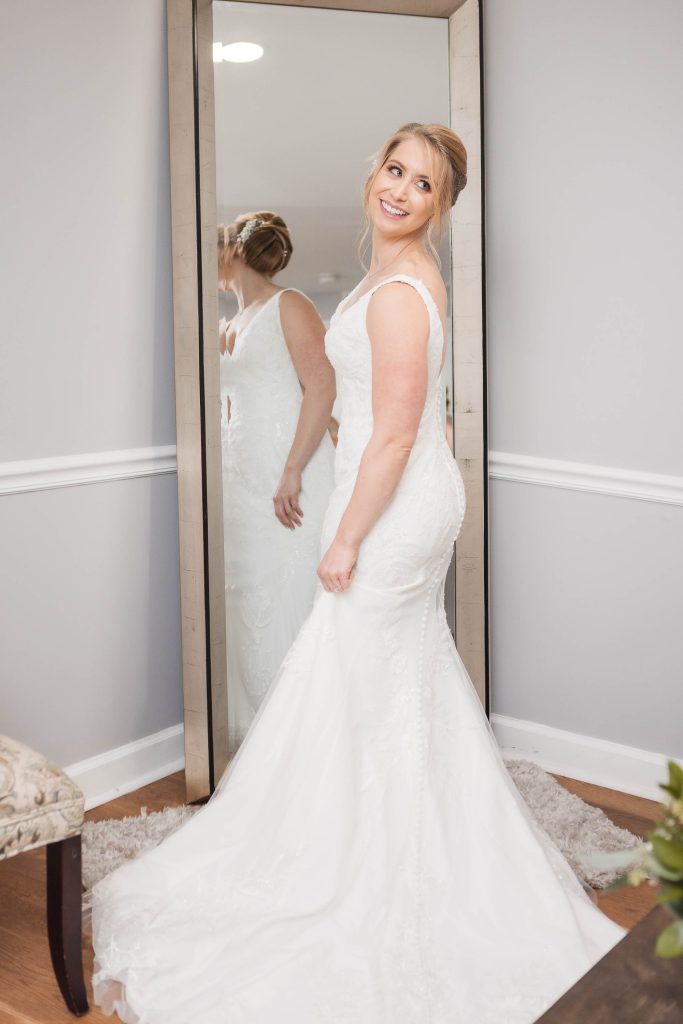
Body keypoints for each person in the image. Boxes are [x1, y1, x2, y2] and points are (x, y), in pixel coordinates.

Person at [88, 123, 626, 1023]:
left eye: (424, 185)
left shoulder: (399, 293)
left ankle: (383, 870)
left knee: (356, 676)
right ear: (372, 172)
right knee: (388, 687)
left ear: (441, 208)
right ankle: (391, 840)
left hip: (393, 508)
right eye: (395, 169)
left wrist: (345, 540)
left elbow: (395, 431)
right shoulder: (392, 278)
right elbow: (394, 413)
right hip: (398, 495)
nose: (401, 190)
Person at [217, 212, 336, 753]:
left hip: (292, 472)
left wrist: (291, 470)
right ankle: (259, 738)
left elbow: (321, 387)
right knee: (247, 594)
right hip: (240, 480)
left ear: (235, 251)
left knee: (288, 587)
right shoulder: (228, 323)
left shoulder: (291, 305)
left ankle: (306, 739)